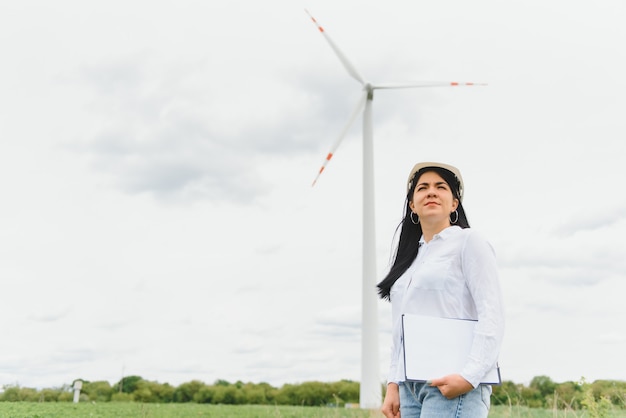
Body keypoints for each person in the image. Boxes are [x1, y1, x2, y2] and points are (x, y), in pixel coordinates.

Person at [378, 162, 504, 418]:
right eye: (422, 188)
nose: (431, 192)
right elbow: (399, 330)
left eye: (441, 187)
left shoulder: (468, 242)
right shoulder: (410, 260)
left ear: (454, 203)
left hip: (452, 381)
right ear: (412, 205)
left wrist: (470, 377)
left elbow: (492, 312)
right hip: (410, 385)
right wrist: (393, 383)